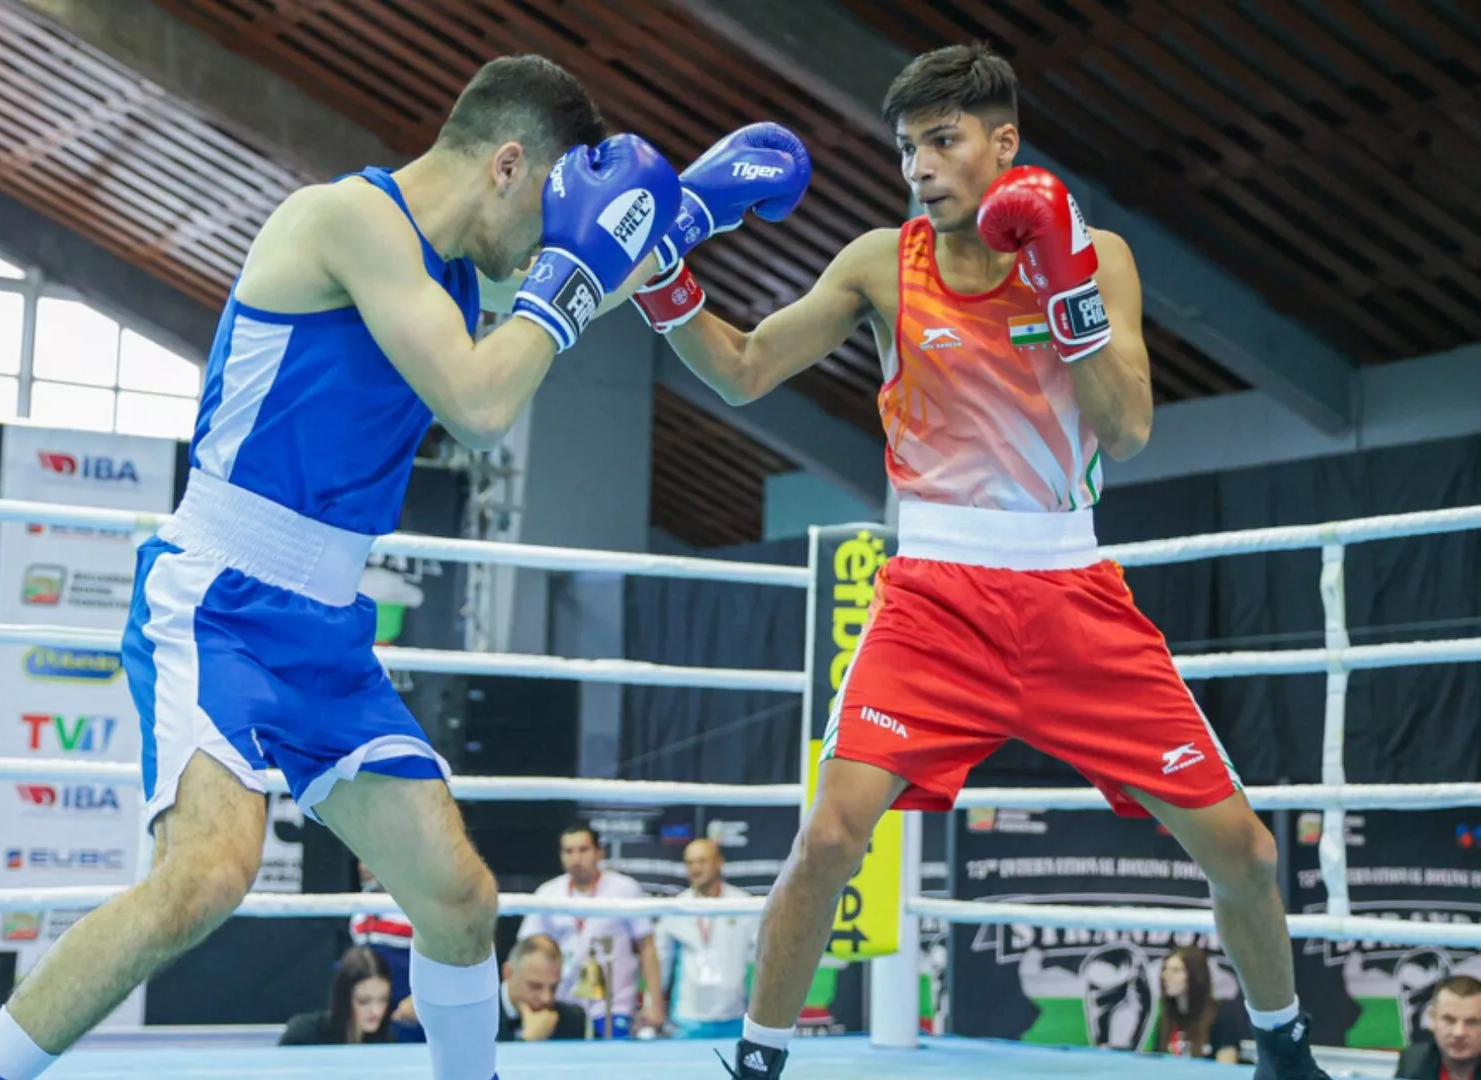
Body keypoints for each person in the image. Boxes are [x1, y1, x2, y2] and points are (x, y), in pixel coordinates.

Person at [0, 49, 808, 1080]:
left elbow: (522, 340)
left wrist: (673, 227)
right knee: (203, 878)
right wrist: (582, 268)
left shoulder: (439, 280)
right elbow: (485, 404)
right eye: (551, 206)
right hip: (220, 595)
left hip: (325, 624)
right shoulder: (345, 222)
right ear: (508, 165)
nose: (545, 238)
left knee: (457, 897)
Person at [631, 42, 1335, 1080]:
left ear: (1002, 145)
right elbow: (741, 370)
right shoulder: (881, 262)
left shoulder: (1100, 259)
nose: (918, 166)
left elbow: (1128, 427)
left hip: (1073, 596)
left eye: (942, 141)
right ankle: (756, 1062)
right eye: (906, 146)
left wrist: (1065, 289)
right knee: (828, 839)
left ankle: (1280, 1047)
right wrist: (658, 275)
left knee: (1246, 853)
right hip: (930, 602)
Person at [518, 821, 666, 1038]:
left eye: (583, 850)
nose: (576, 859)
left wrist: (655, 1003)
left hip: (613, 1007)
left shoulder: (625, 890)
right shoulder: (548, 894)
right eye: (569, 851)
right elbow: (526, 952)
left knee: (611, 1070)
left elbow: (647, 948)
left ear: (599, 852)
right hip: (562, 1005)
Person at [655, 839, 757, 1040]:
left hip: (734, 1016)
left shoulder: (744, 904)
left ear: (719, 862)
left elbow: (765, 956)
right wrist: (654, 1003)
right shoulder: (676, 907)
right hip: (687, 1018)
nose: (695, 868)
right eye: (690, 863)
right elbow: (661, 961)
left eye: (702, 861)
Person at [349, 861, 420, 1040]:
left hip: (409, 1017)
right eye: (361, 859)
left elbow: (453, 961)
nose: (364, 867)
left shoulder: (422, 904)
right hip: (371, 1016)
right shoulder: (360, 904)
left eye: (370, 859)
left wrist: (421, 1000)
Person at [279, 945, 394, 1046]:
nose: (376, 1011)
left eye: (383, 1000)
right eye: (363, 1001)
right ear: (344, 998)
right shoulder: (303, 1036)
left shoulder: (387, 1043)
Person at [1152, 946, 1244, 1064]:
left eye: (1176, 970)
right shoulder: (1166, 1016)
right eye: (1165, 969)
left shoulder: (1221, 1017)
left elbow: (1227, 1070)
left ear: (1195, 975)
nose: (1166, 976)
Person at [496, 935, 588, 1042]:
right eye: (535, 986)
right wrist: (529, 1040)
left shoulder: (573, 1020)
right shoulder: (478, 1017)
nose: (546, 998)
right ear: (508, 973)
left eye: (553, 987)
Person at [1396, 975, 1481, 1080]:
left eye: (1472, 1022)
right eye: (1449, 1020)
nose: (1459, 1032)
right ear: (1432, 1019)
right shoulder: (1413, 1060)